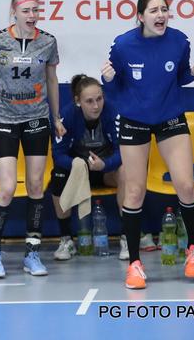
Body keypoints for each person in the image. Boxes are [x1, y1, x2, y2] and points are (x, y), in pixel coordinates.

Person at [102, 0, 194, 289]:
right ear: (140, 17)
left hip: (170, 117)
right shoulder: (123, 45)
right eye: (153, 10)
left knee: (185, 185)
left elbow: (180, 77)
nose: (161, 14)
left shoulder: (179, 41)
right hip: (134, 119)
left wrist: (193, 73)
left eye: (164, 9)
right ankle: (134, 264)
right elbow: (114, 87)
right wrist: (108, 79)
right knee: (134, 191)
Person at [0, 0, 65, 278]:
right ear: (14, 12)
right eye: (26, 11)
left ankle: (32, 254)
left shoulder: (48, 42)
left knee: (36, 186)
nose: (32, 16)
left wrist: (56, 117)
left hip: (36, 119)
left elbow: (52, 80)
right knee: (7, 187)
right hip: (5, 119)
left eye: (36, 10)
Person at [50, 74, 125, 261]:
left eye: (99, 99)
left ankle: (127, 237)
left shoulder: (114, 112)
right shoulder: (66, 116)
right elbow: (58, 154)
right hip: (78, 172)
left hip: (105, 171)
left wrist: (105, 164)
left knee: (127, 171)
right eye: (89, 101)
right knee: (58, 175)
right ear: (78, 101)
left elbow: (123, 151)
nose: (96, 106)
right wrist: (78, 164)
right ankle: (66, 239)